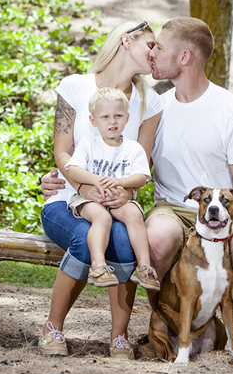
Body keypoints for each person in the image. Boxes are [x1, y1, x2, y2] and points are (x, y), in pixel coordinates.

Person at [43, 17, 233, 368]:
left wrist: (216, 226)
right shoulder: (157, 104)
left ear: (183, 58)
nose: (153, 55)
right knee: (155, 240)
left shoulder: (228, 112)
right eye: (150, 45)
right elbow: (106, 157)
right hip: (164, 206)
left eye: (159, 48)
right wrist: (68, 177)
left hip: (222, 211)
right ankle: (159, 327)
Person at [39, 21, 163, 360]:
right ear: (126, 40)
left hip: (117, 200)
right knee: (86, 234)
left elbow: (142, 164)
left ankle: (119, 337)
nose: (156, 52)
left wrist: (125, 194)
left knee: (123, 242)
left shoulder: (149, 102)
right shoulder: (75, 86)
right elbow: (62, 152)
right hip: (69, 199)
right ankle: (52, 327)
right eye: (151, 44)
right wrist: (83, 186)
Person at [63, 87, 161, 292]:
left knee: (134, 213)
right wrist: (97, 180)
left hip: (118, 200)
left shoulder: (133, 148)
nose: (112, 121)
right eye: (105, 117)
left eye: (118, 116)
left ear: (127, 118)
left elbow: (142, 177)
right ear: (93, 120)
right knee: (102, 218)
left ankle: (144, 267)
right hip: (90, 201)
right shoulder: (89, 144)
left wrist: (121, 183)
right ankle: (98, 267)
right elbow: (73, 169)